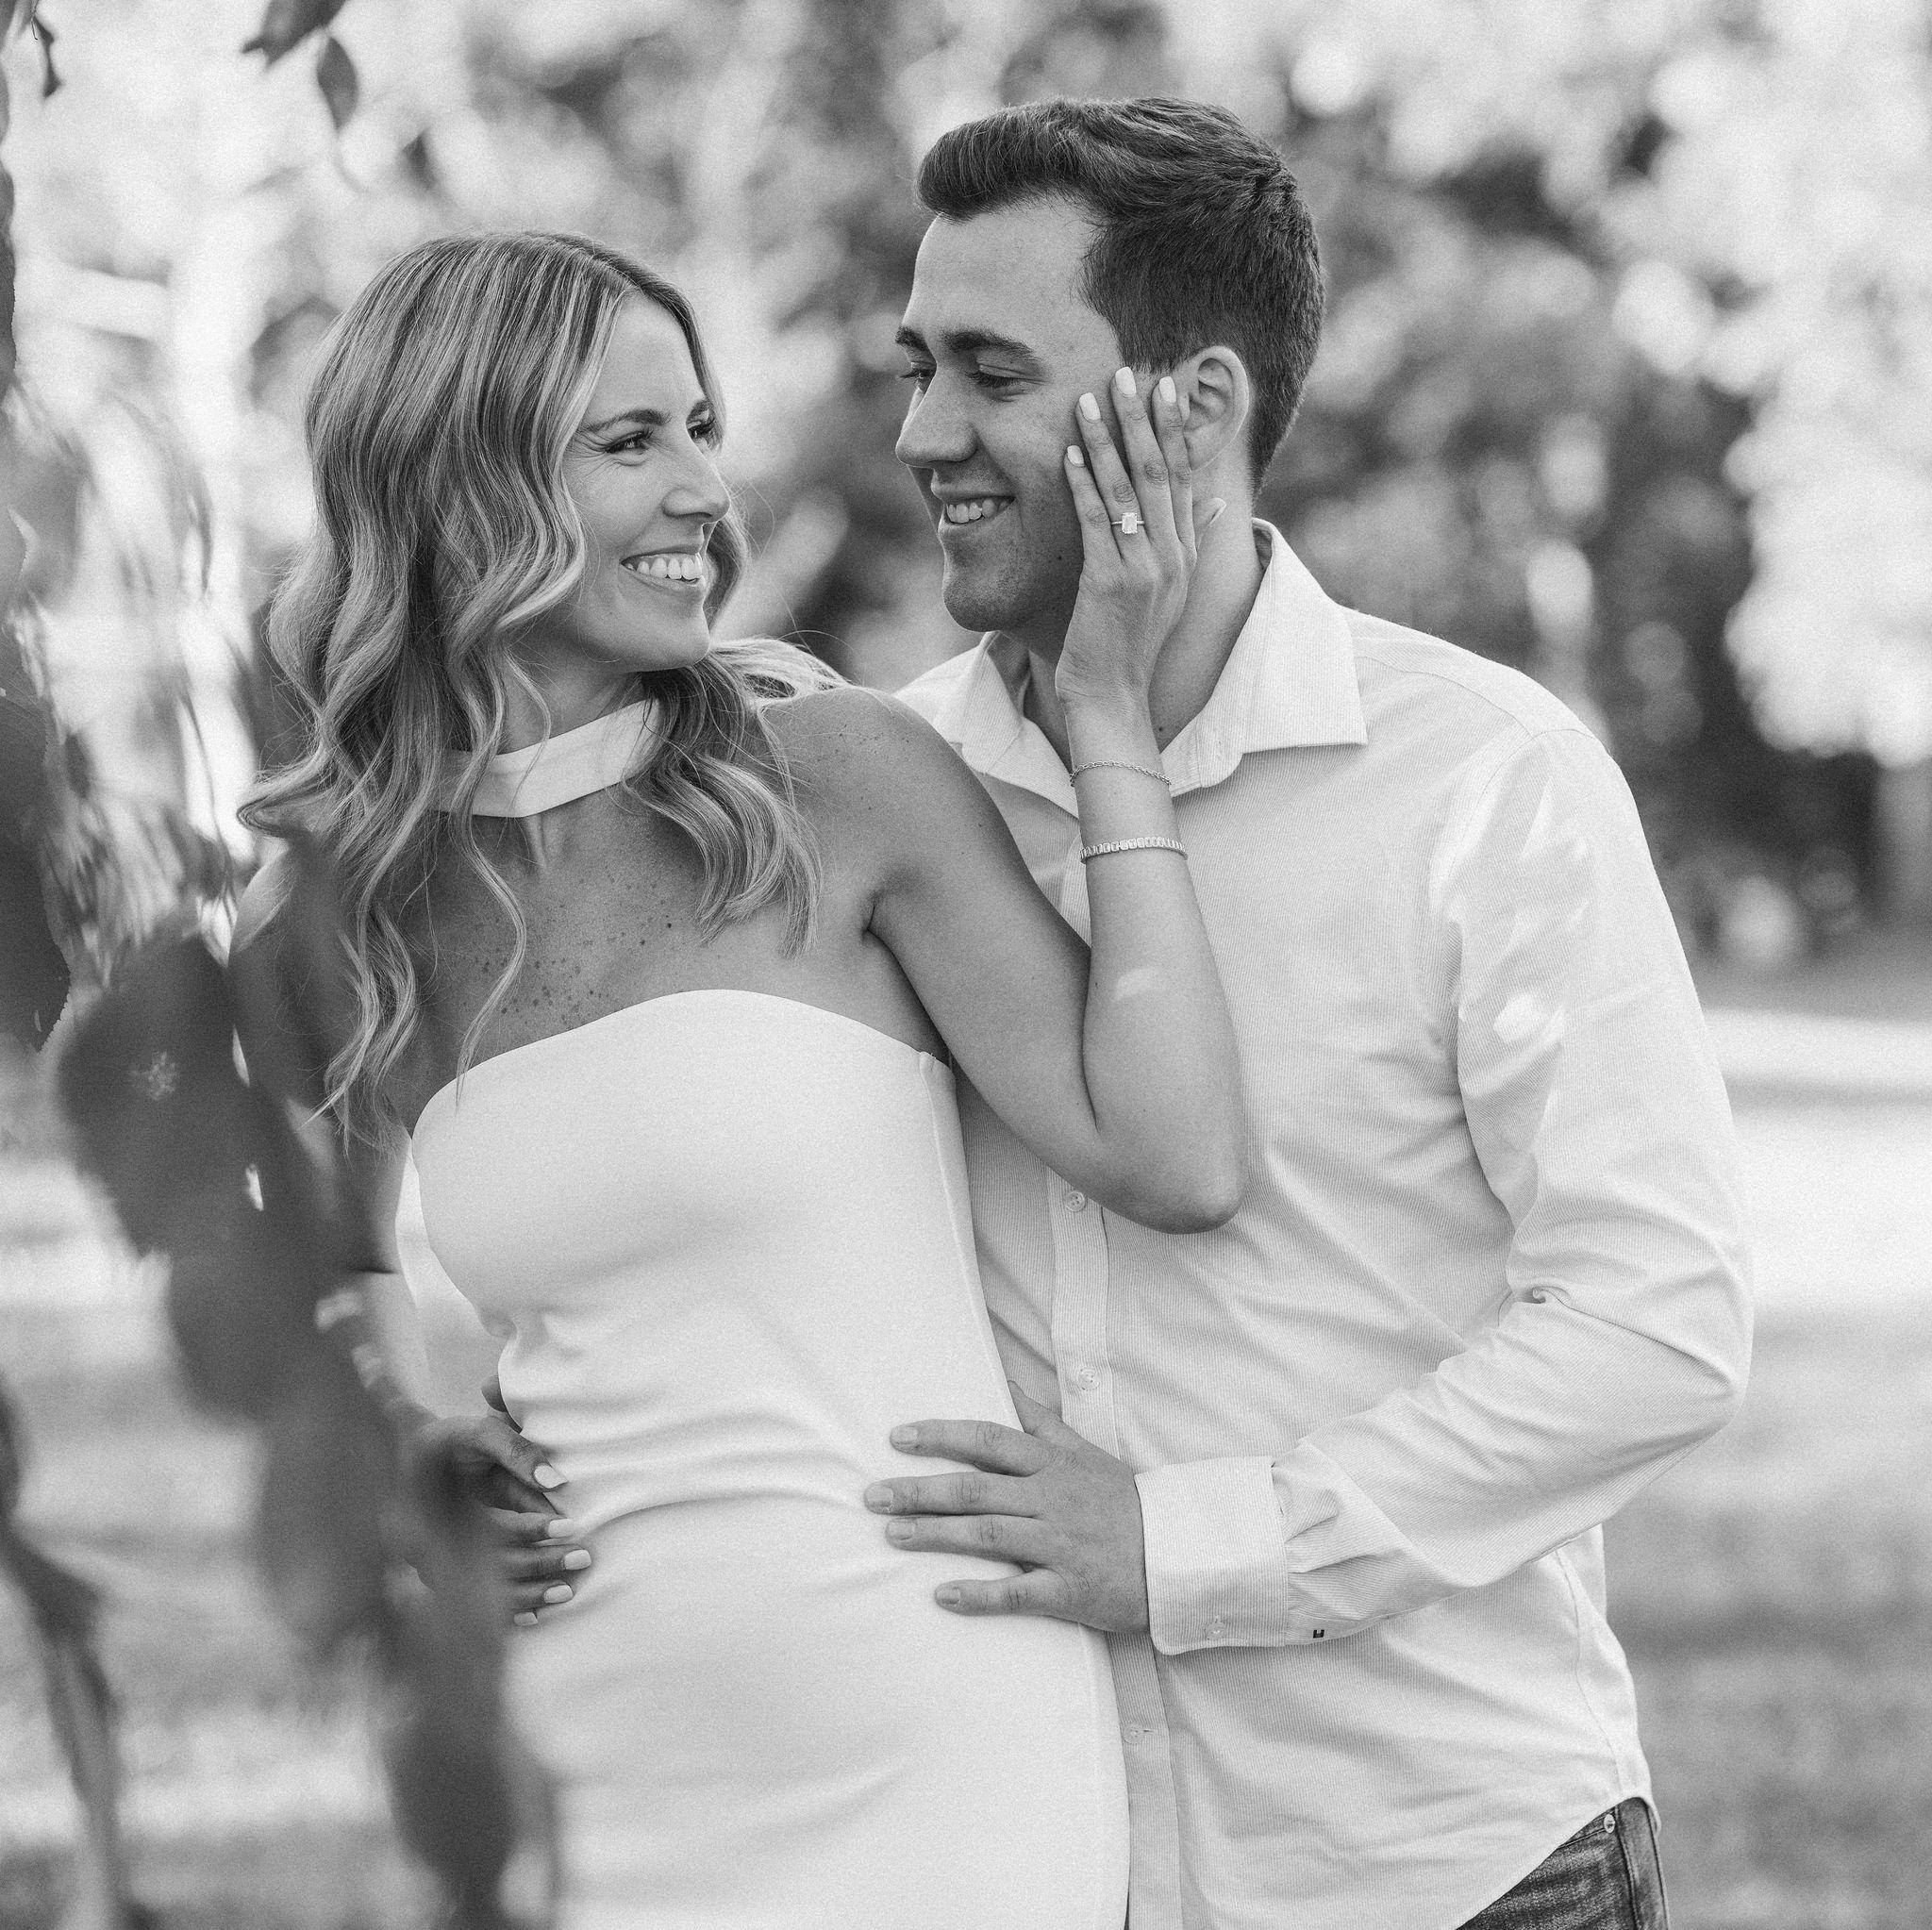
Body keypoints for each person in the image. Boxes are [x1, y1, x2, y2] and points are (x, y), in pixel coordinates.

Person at [508, 100, 1751, 1929]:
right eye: (918, 366)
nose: (923, 433)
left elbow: (1653, 1324)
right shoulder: (867, 793)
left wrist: (1191, 1545)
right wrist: (498, 1447)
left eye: (994, 373)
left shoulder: (1482, 780)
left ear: (1196, 405)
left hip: (1443, 1864)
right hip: (1015, 1860)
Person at [230, 227, 1256, 1929]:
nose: (706, 489)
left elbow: (1176, 1152)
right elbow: (318, 1278)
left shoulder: (835, 781)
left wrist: (1107, 722)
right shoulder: (345, 908)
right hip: (592, 1758)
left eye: (700, 428)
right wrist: (411, 1436)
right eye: (631, 441)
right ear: (459, 483)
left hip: (938, 1740)